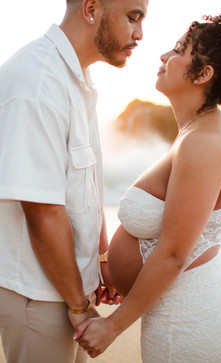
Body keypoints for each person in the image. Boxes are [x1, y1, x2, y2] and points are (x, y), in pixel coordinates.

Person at [76, 11, 221, 362]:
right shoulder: (195, 132)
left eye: (180, 49)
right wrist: (113, 268)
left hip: (190, 319)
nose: (165, 55)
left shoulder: (204, 143)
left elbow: (173, 253)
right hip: (180, 308)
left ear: (203, 73)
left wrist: (112, 327)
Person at [0, 0, 149, 362]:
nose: (139, 34)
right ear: (91, 8)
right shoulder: (38, 81)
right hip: (38, 295)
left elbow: (85, 185)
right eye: (133, 17)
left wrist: (100, 257)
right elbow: (43, 211)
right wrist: (78, 305)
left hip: (68, 290)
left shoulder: (77, 78)